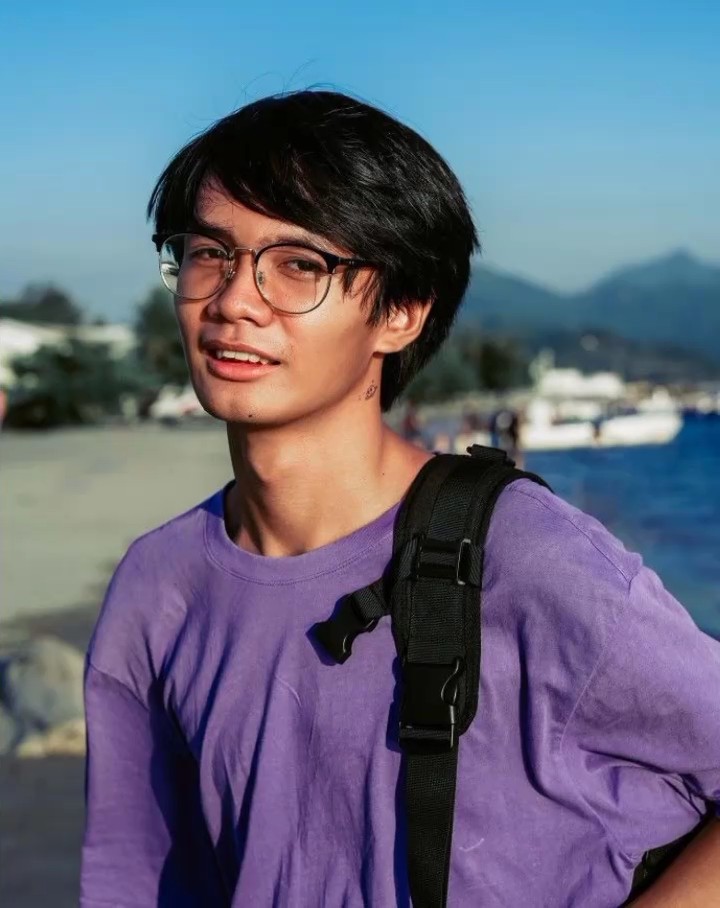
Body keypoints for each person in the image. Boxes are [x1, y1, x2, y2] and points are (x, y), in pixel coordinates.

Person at [81, 90, 720, 907]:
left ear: (403, 312)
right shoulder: (156, 587)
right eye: (210, 253)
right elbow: (139, 880)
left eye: (299, 265)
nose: (235, 300)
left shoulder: (526, 558)